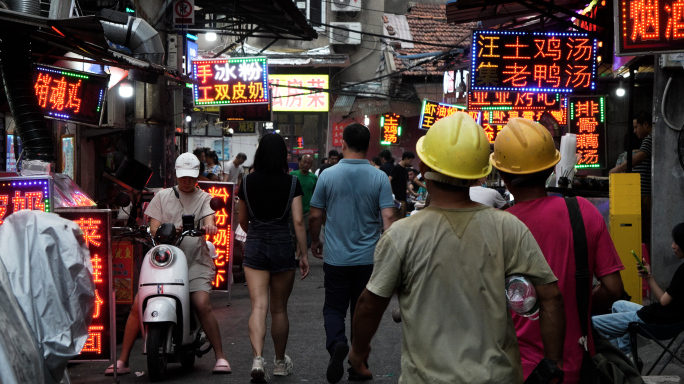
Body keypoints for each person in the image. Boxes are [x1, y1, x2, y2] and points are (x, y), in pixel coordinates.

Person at [348, 112, 566, 384]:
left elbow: (369, 304)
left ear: (424, 170)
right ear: (479, 177)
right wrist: (554, 363)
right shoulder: (508, 227)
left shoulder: (401, 235)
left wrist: (359, 351)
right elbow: (551, 297)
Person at [491, 118, 624, 383]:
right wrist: (578, 304)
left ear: (503, 176)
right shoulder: (583, 211)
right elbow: (613, 289)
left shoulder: (496, 226)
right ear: (553, 166)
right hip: (576, 366)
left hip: (512, 369)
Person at [104, 153, 230, 376]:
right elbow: (153, 227)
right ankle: (122, 360)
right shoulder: (162, 196)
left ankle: (220, 356)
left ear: (197, 175)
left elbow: (209, 219)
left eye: (191, 177)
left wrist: (209, 227)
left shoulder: (204, 198)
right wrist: (165, 230)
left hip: (194, 261)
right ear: (177, 174)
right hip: (164, 260)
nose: (187, 181)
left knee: (201, 302)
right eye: (183, 177)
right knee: (137, 304)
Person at [309, 123, 395, 383]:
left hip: (336, 258)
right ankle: (359, 365)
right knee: (363, 310)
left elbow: (314, 214)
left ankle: (337, 343)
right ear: (368, 147)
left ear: (343, 144)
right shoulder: (379, 176)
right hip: (369, 258)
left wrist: (315, 240)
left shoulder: (327, 175)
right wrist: (388, 248)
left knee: (334, 308)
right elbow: (388, 216)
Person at [238, 134, 310, 383]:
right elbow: (298, 221)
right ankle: (280, 363)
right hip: (282, 243)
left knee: (258, 306)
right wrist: (303, 253)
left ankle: (258, 360)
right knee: (279, 308)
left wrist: (257, 235)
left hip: (256, 241)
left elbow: (242, 221)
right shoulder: (292, 183)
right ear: (283, 156)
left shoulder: (246, 182)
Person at [609, 110, 653, 251]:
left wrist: (616, 169)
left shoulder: (650, 138)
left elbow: (639, 157)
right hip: (645, 195)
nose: (635, 131)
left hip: (644, 195)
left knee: (645, 233)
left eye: (636, 127)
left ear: (645, 124)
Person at [289, 154, 317, 255]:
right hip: (293, 210)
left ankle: (298, 256)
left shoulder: (314, 178)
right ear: (299, 163)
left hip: (306, 210)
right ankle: (294, 254)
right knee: (292, 234)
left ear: (311, 165)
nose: (306, 165)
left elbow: (315, 193)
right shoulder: (292, 174)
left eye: (308, 163)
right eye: (304, 162)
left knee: (303, 233)